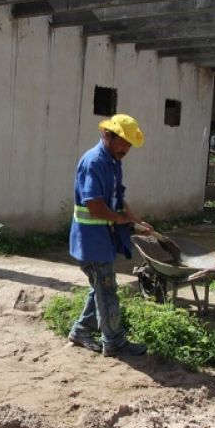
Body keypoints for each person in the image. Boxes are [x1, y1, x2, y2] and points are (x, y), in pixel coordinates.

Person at [68, 114, 151, 357]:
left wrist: (134, 220)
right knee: (106, 289)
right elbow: (94, 206)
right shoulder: (94, 162)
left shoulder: (113, 161)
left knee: (100, 287)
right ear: (107, 135)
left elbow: (118, 199)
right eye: (122, 142)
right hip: (90, 240)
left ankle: (82, 330)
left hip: (100, 237)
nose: (126, 148)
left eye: (129, 144)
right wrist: (122, 220)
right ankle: (114, 342)